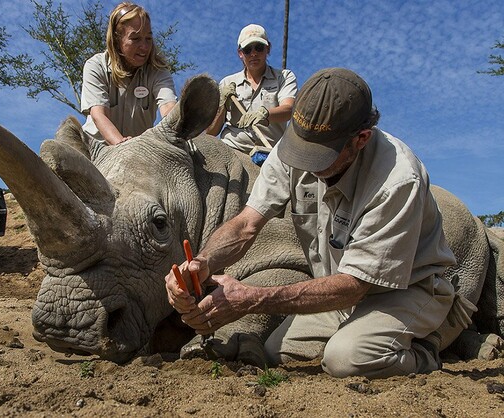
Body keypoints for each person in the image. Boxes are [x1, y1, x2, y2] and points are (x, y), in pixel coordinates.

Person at [166, 68, 476, 378]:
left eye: (318, 156)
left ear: (361, 139)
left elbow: (356, 286)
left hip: (403, 291)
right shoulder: (299, 142)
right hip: (340, 292)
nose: (304, 162)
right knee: (277, 351)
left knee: (346, 360)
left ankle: (429, 345)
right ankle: (364, 333)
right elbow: (246, 224)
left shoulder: (397, 180)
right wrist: (203, 263)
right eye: (301, 148)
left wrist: (250, 299)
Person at [80, 2, 177, 145]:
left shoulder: (158, 71)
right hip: (96, 149)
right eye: (135, 39)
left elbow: (169, 108)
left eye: (148, 38)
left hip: (138, 153)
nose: (144, 47)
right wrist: (121, 144)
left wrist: (181, 125)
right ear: (117, 39)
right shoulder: (96, 65)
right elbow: (99, 115)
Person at [207, 24, 297, 158]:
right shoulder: (226, 83)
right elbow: (210, 132)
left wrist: (264, 115)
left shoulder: (284, 77)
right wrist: (221, 105)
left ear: (268, 49)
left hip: (269, 152)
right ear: (240, 53)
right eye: (248, 49)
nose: (253, 54)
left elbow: (289, 110)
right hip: (231, 150)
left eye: (259, 48)